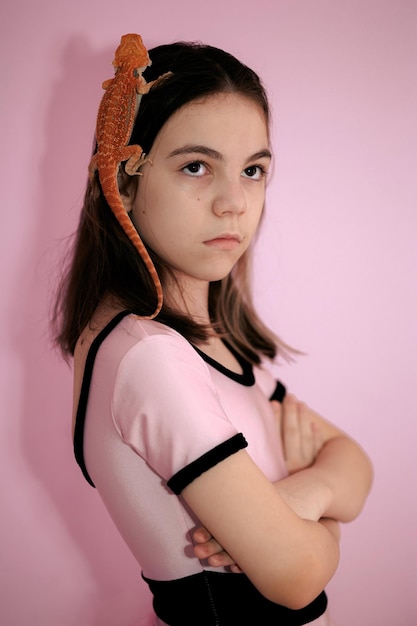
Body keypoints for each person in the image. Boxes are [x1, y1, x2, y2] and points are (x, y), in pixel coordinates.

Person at [53, 39, 373, 626]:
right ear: (123, 182)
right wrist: (326, 525)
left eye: (253, 170)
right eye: (196, 167)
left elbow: (356, 465)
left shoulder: (209, 344)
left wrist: (303, 496)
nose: (234, 202)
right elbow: (298, 577)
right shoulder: (147, 356)